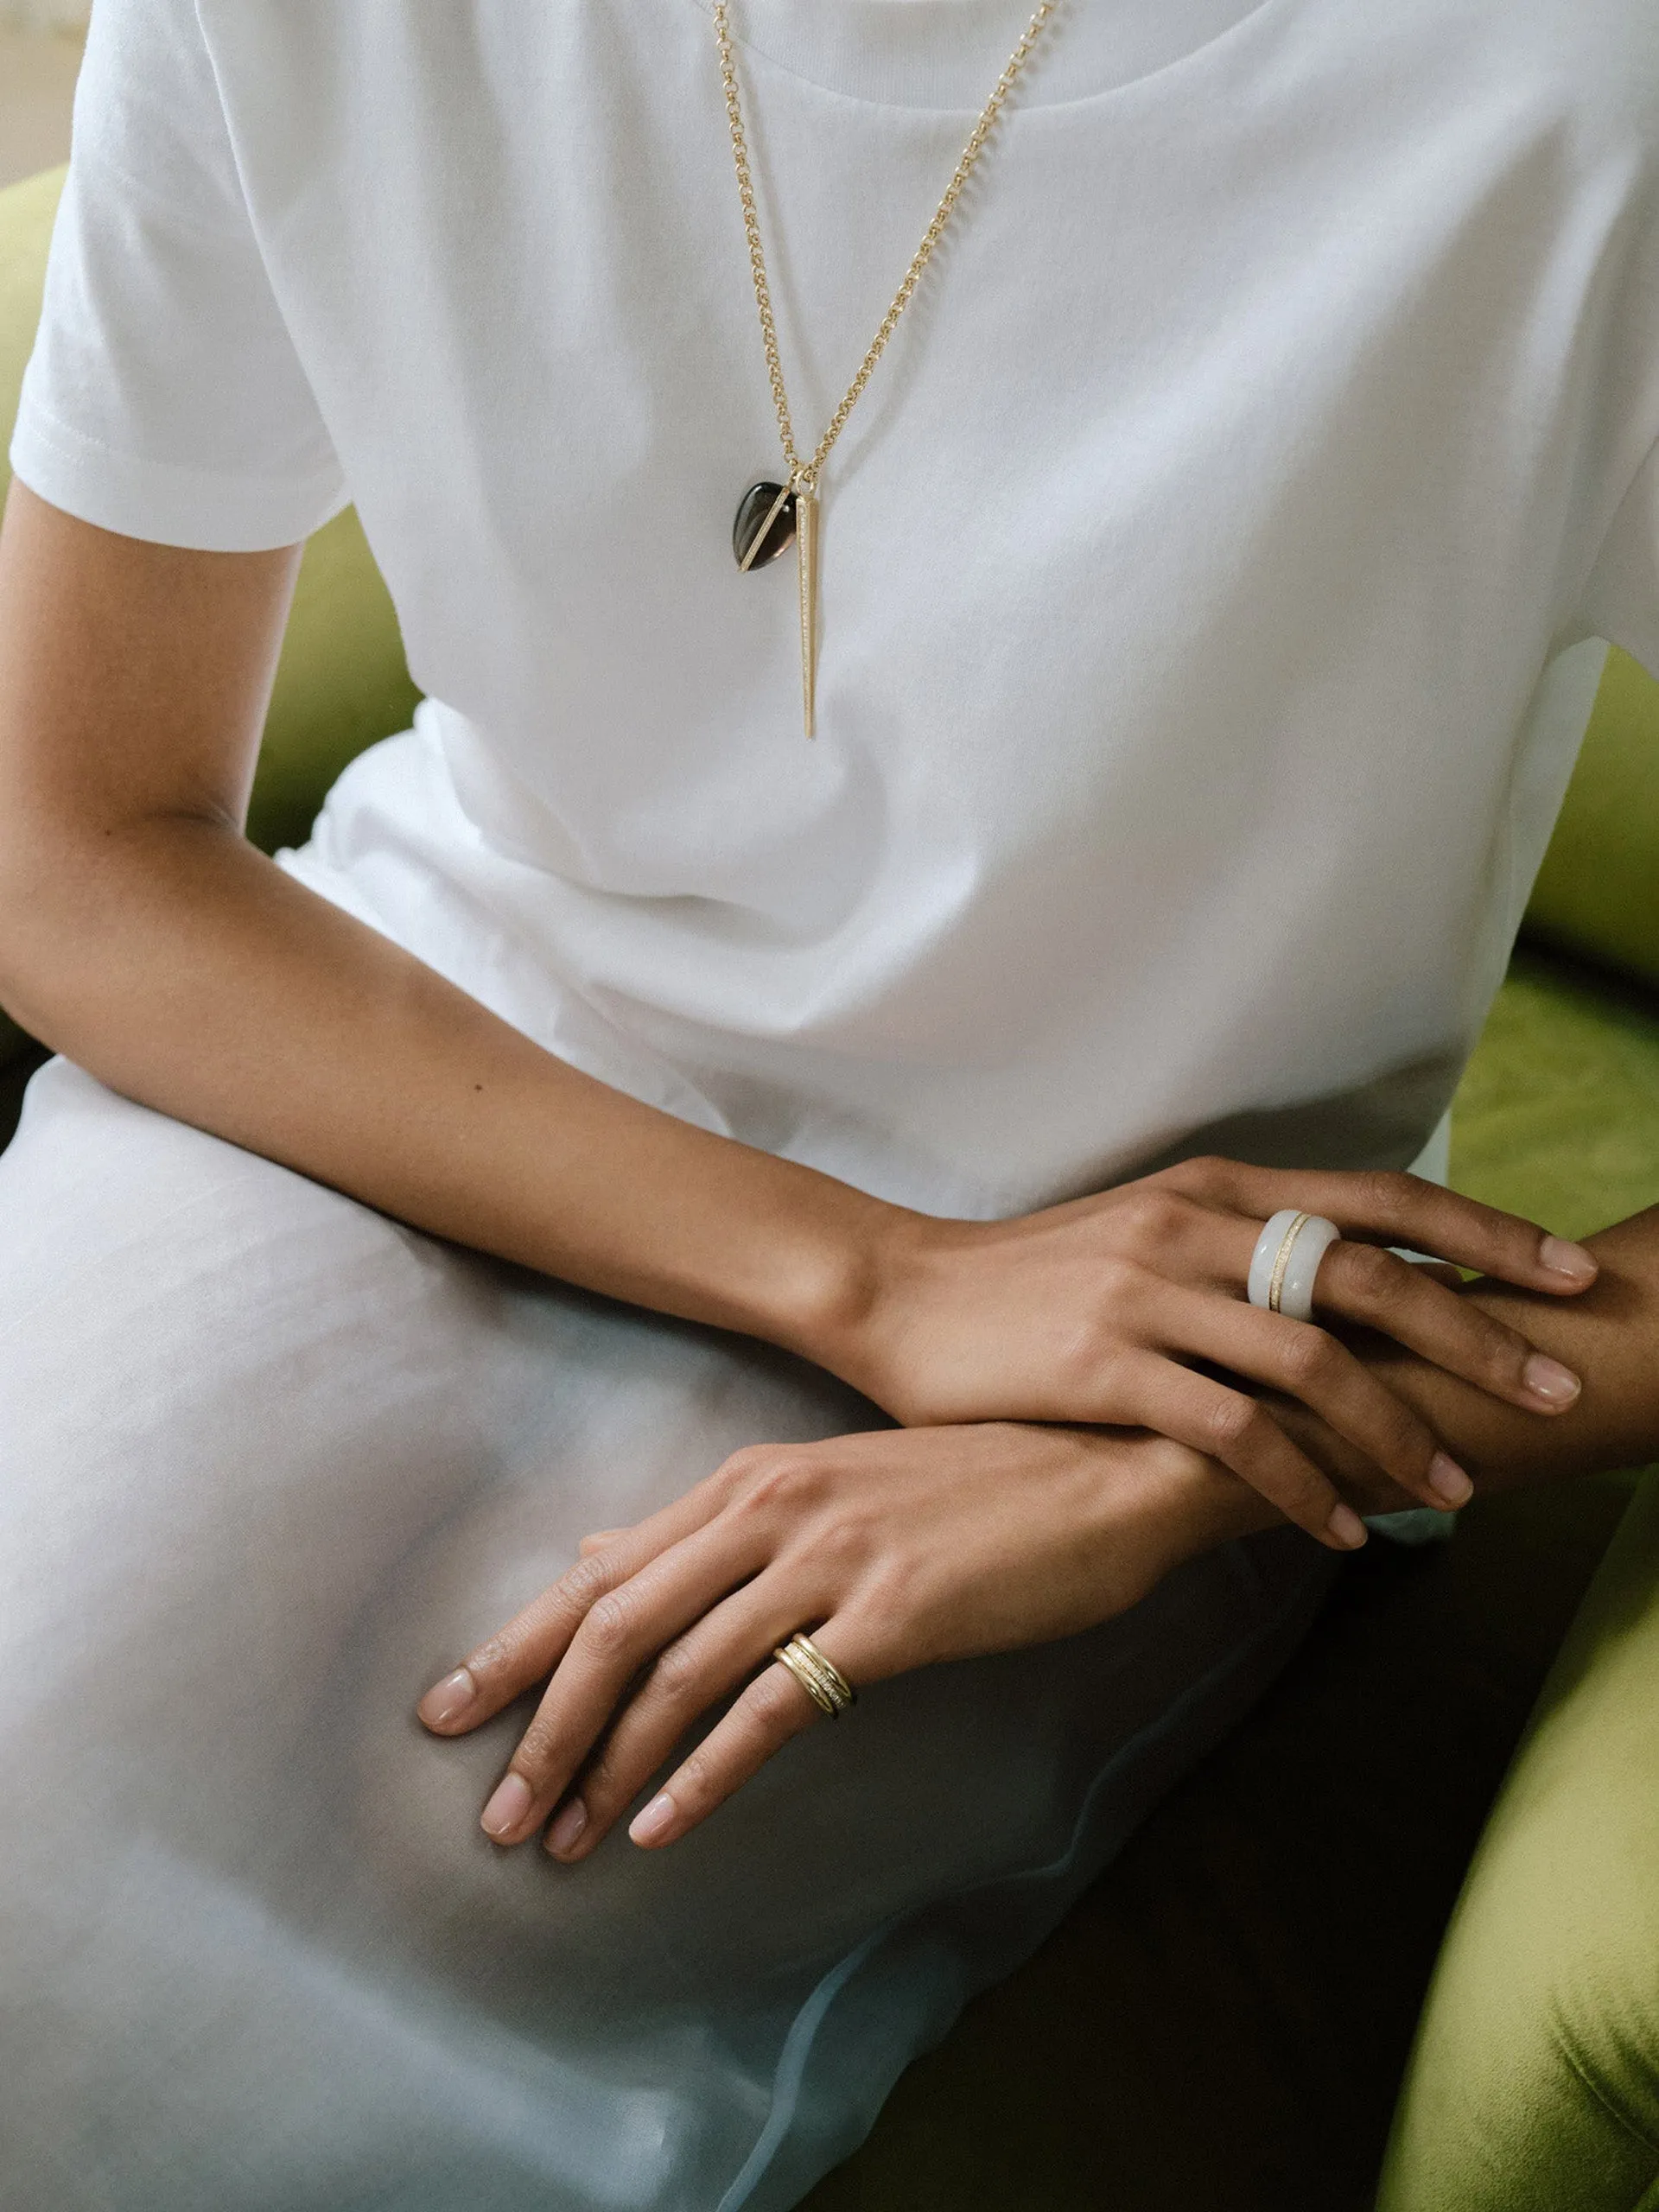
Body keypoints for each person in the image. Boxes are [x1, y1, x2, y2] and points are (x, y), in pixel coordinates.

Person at [0, 0, 1656, 2205]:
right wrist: (874, 1277)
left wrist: (1183, 1467)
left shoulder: (1562, 89)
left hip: (1119, 1316)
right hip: (404, 1053)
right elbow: (71, 842)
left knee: (461, 1913)